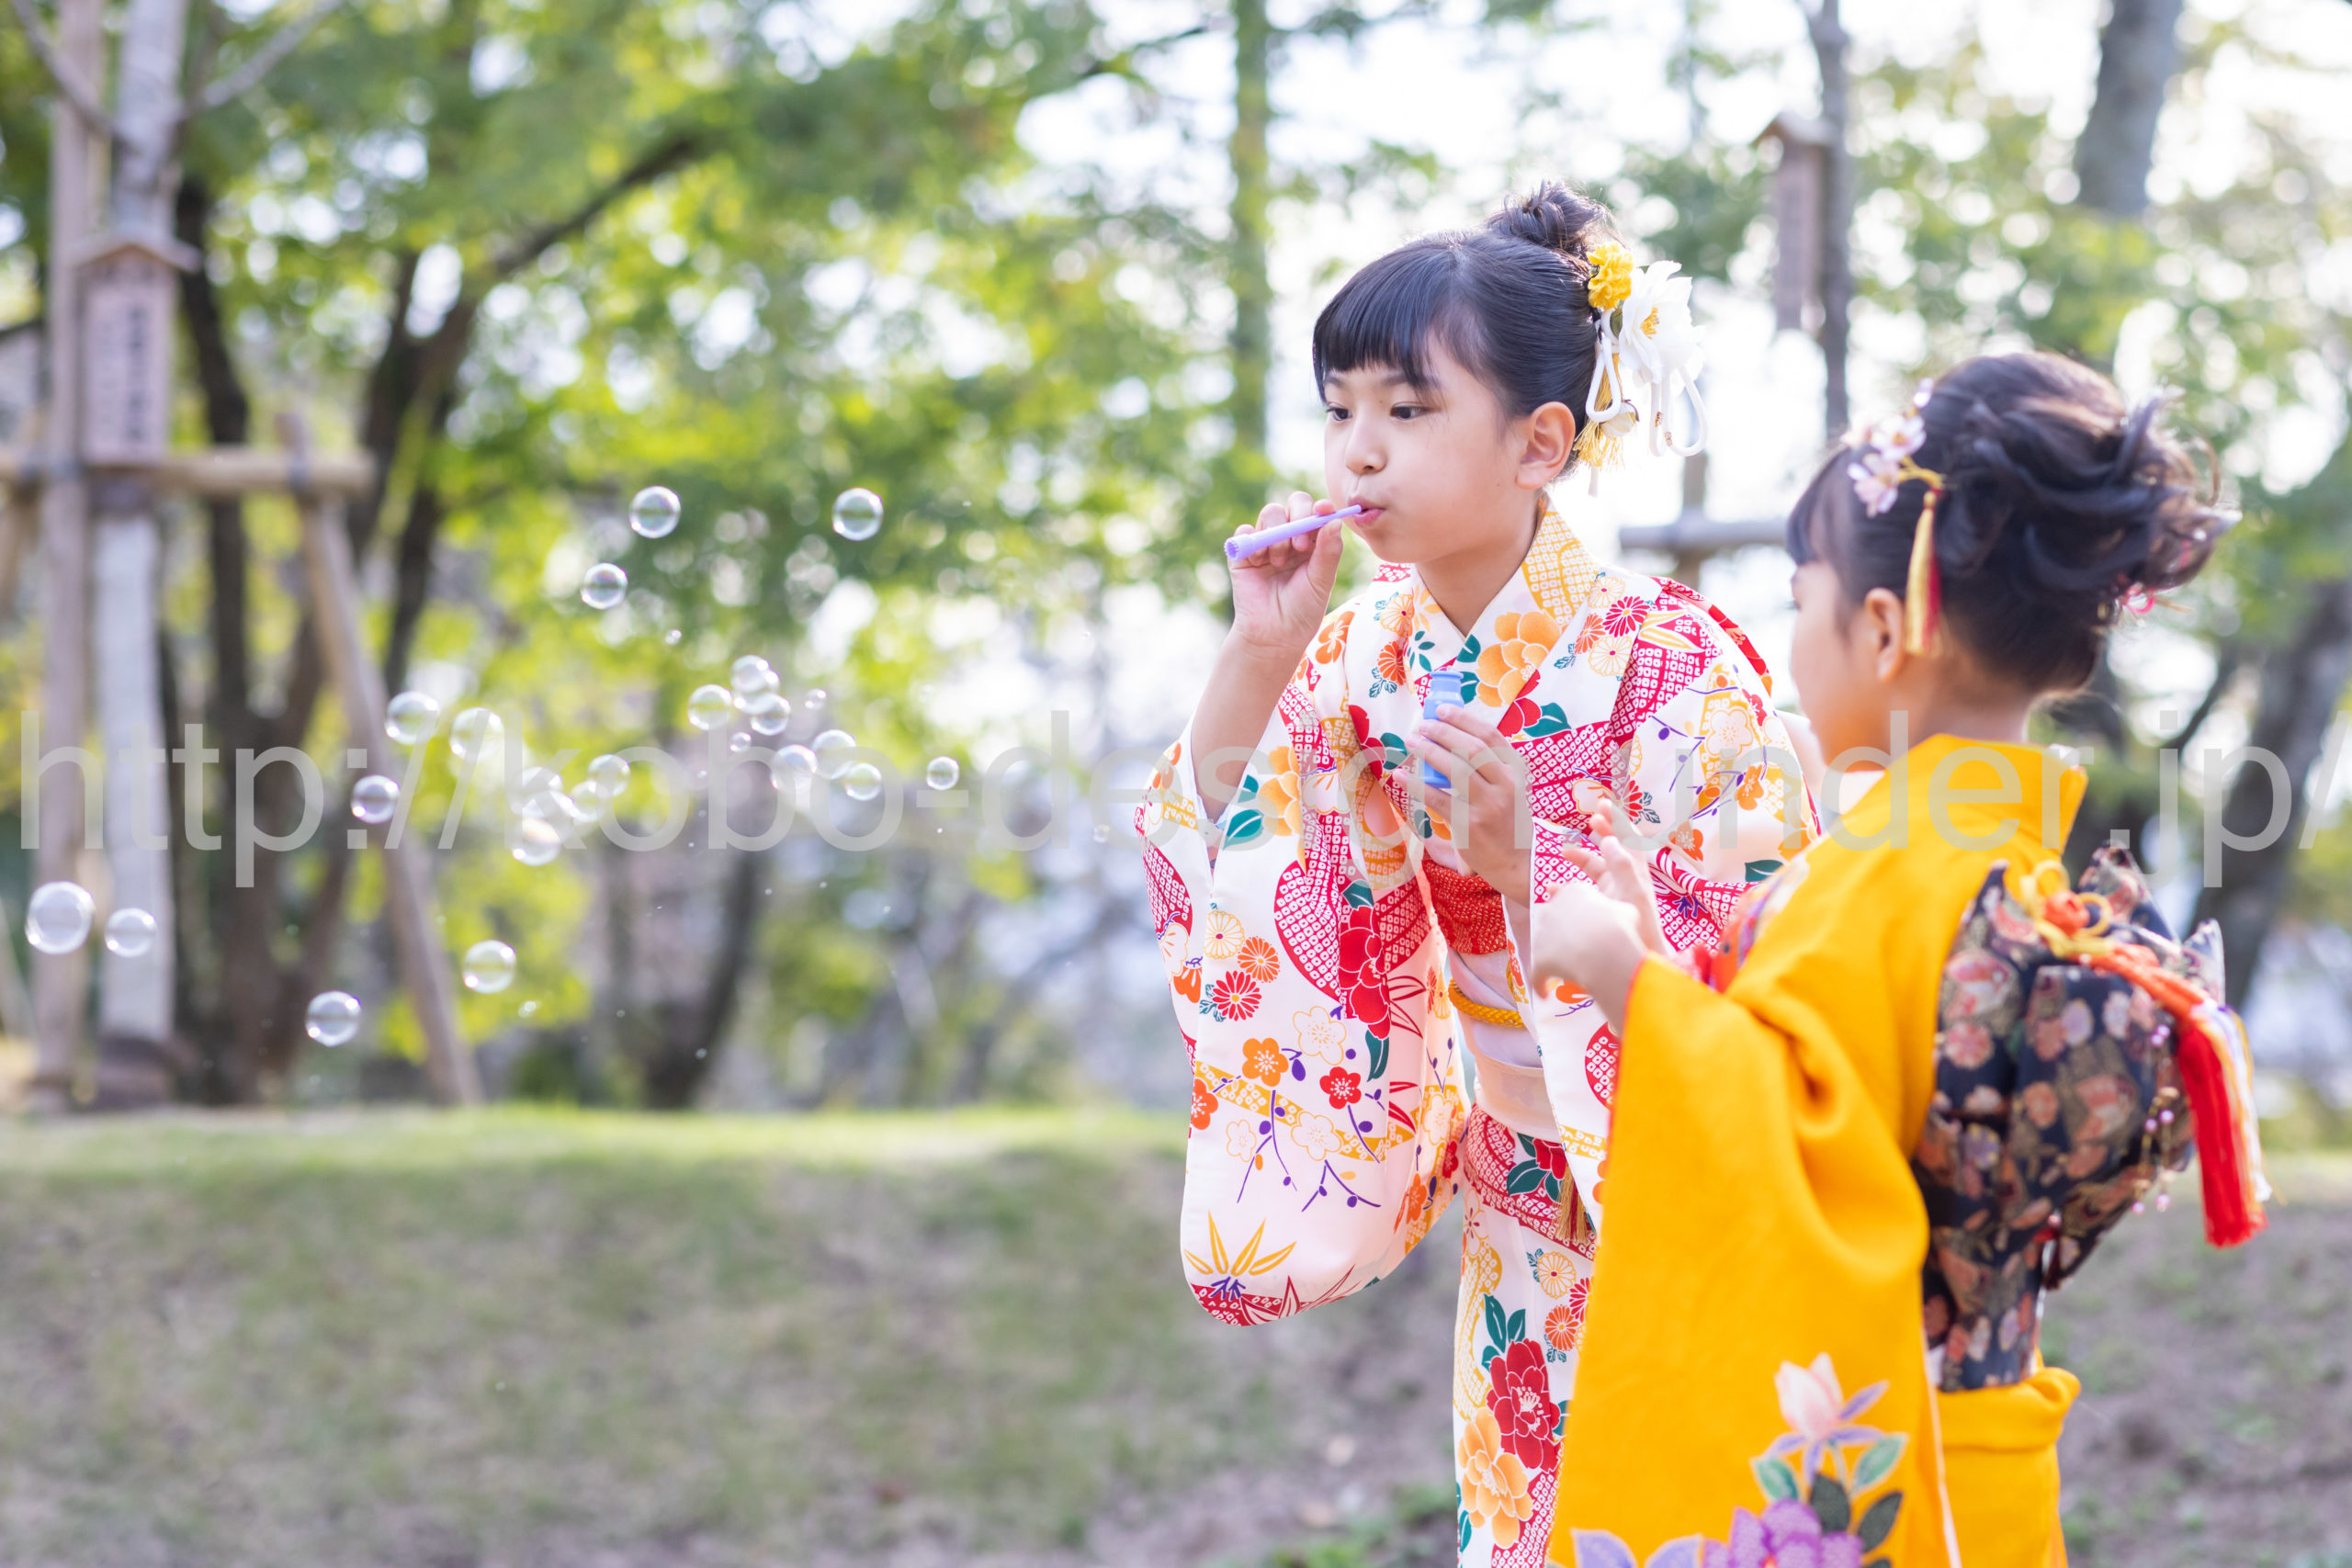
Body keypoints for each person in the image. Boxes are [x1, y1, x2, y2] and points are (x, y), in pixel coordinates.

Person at [1133, 183, 1815, 1564]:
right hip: (1519, 1189)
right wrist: (1262, 650)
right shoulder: (1358, 652)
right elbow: (1235, 851)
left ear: (1539, 443)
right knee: (1524, 1532)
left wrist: (1529, 869)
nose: (1359, 449)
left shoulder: (1677, 663)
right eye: (1339, 409)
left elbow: (1769, 951)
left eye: (1408, 407)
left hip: (1663, 1177)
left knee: (1689, 1519)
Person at [1527, 352, 2267, 1566]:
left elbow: (1809, 1148)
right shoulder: (1993, 856)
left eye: (1799, 598)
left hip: (1896, 1468)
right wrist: (1662, 970)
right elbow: (1838, 1091)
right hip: (1982, 1447)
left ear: (1880, 629)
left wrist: (1619, 978)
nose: (1790, 640)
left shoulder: (1888, 871)